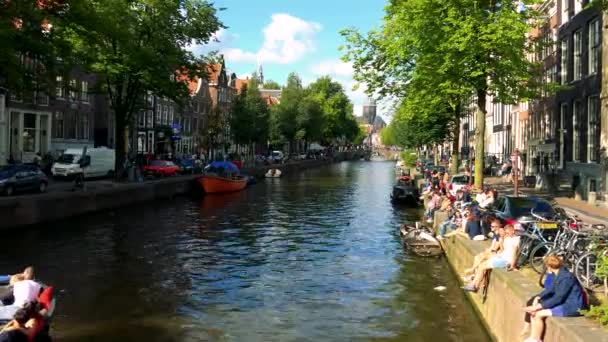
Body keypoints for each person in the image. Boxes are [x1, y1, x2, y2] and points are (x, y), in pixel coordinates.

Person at [522, 255, 588, 342]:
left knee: (538, 314)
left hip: (572, 307)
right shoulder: (559, 273)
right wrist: (539, 297)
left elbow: (558, 298)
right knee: (534, 312)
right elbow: (551, 288)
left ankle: (537, 339)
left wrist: (538, 306)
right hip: (566, 303)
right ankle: (532, 337)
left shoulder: (566, 278)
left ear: (549, 267)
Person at [463, 224, 520, 292]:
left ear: (513, 231)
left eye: (508, 232)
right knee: (482, 264)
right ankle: (476, 284)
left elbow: (514, 254)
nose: (507, 234)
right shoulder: (508, 238)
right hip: (501, 257)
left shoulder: (515, 240)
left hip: (506, 261)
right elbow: (504, 249)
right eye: (506, 233)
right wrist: (501, 241)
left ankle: (474, 285)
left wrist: (512, 266)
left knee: (482, 266)